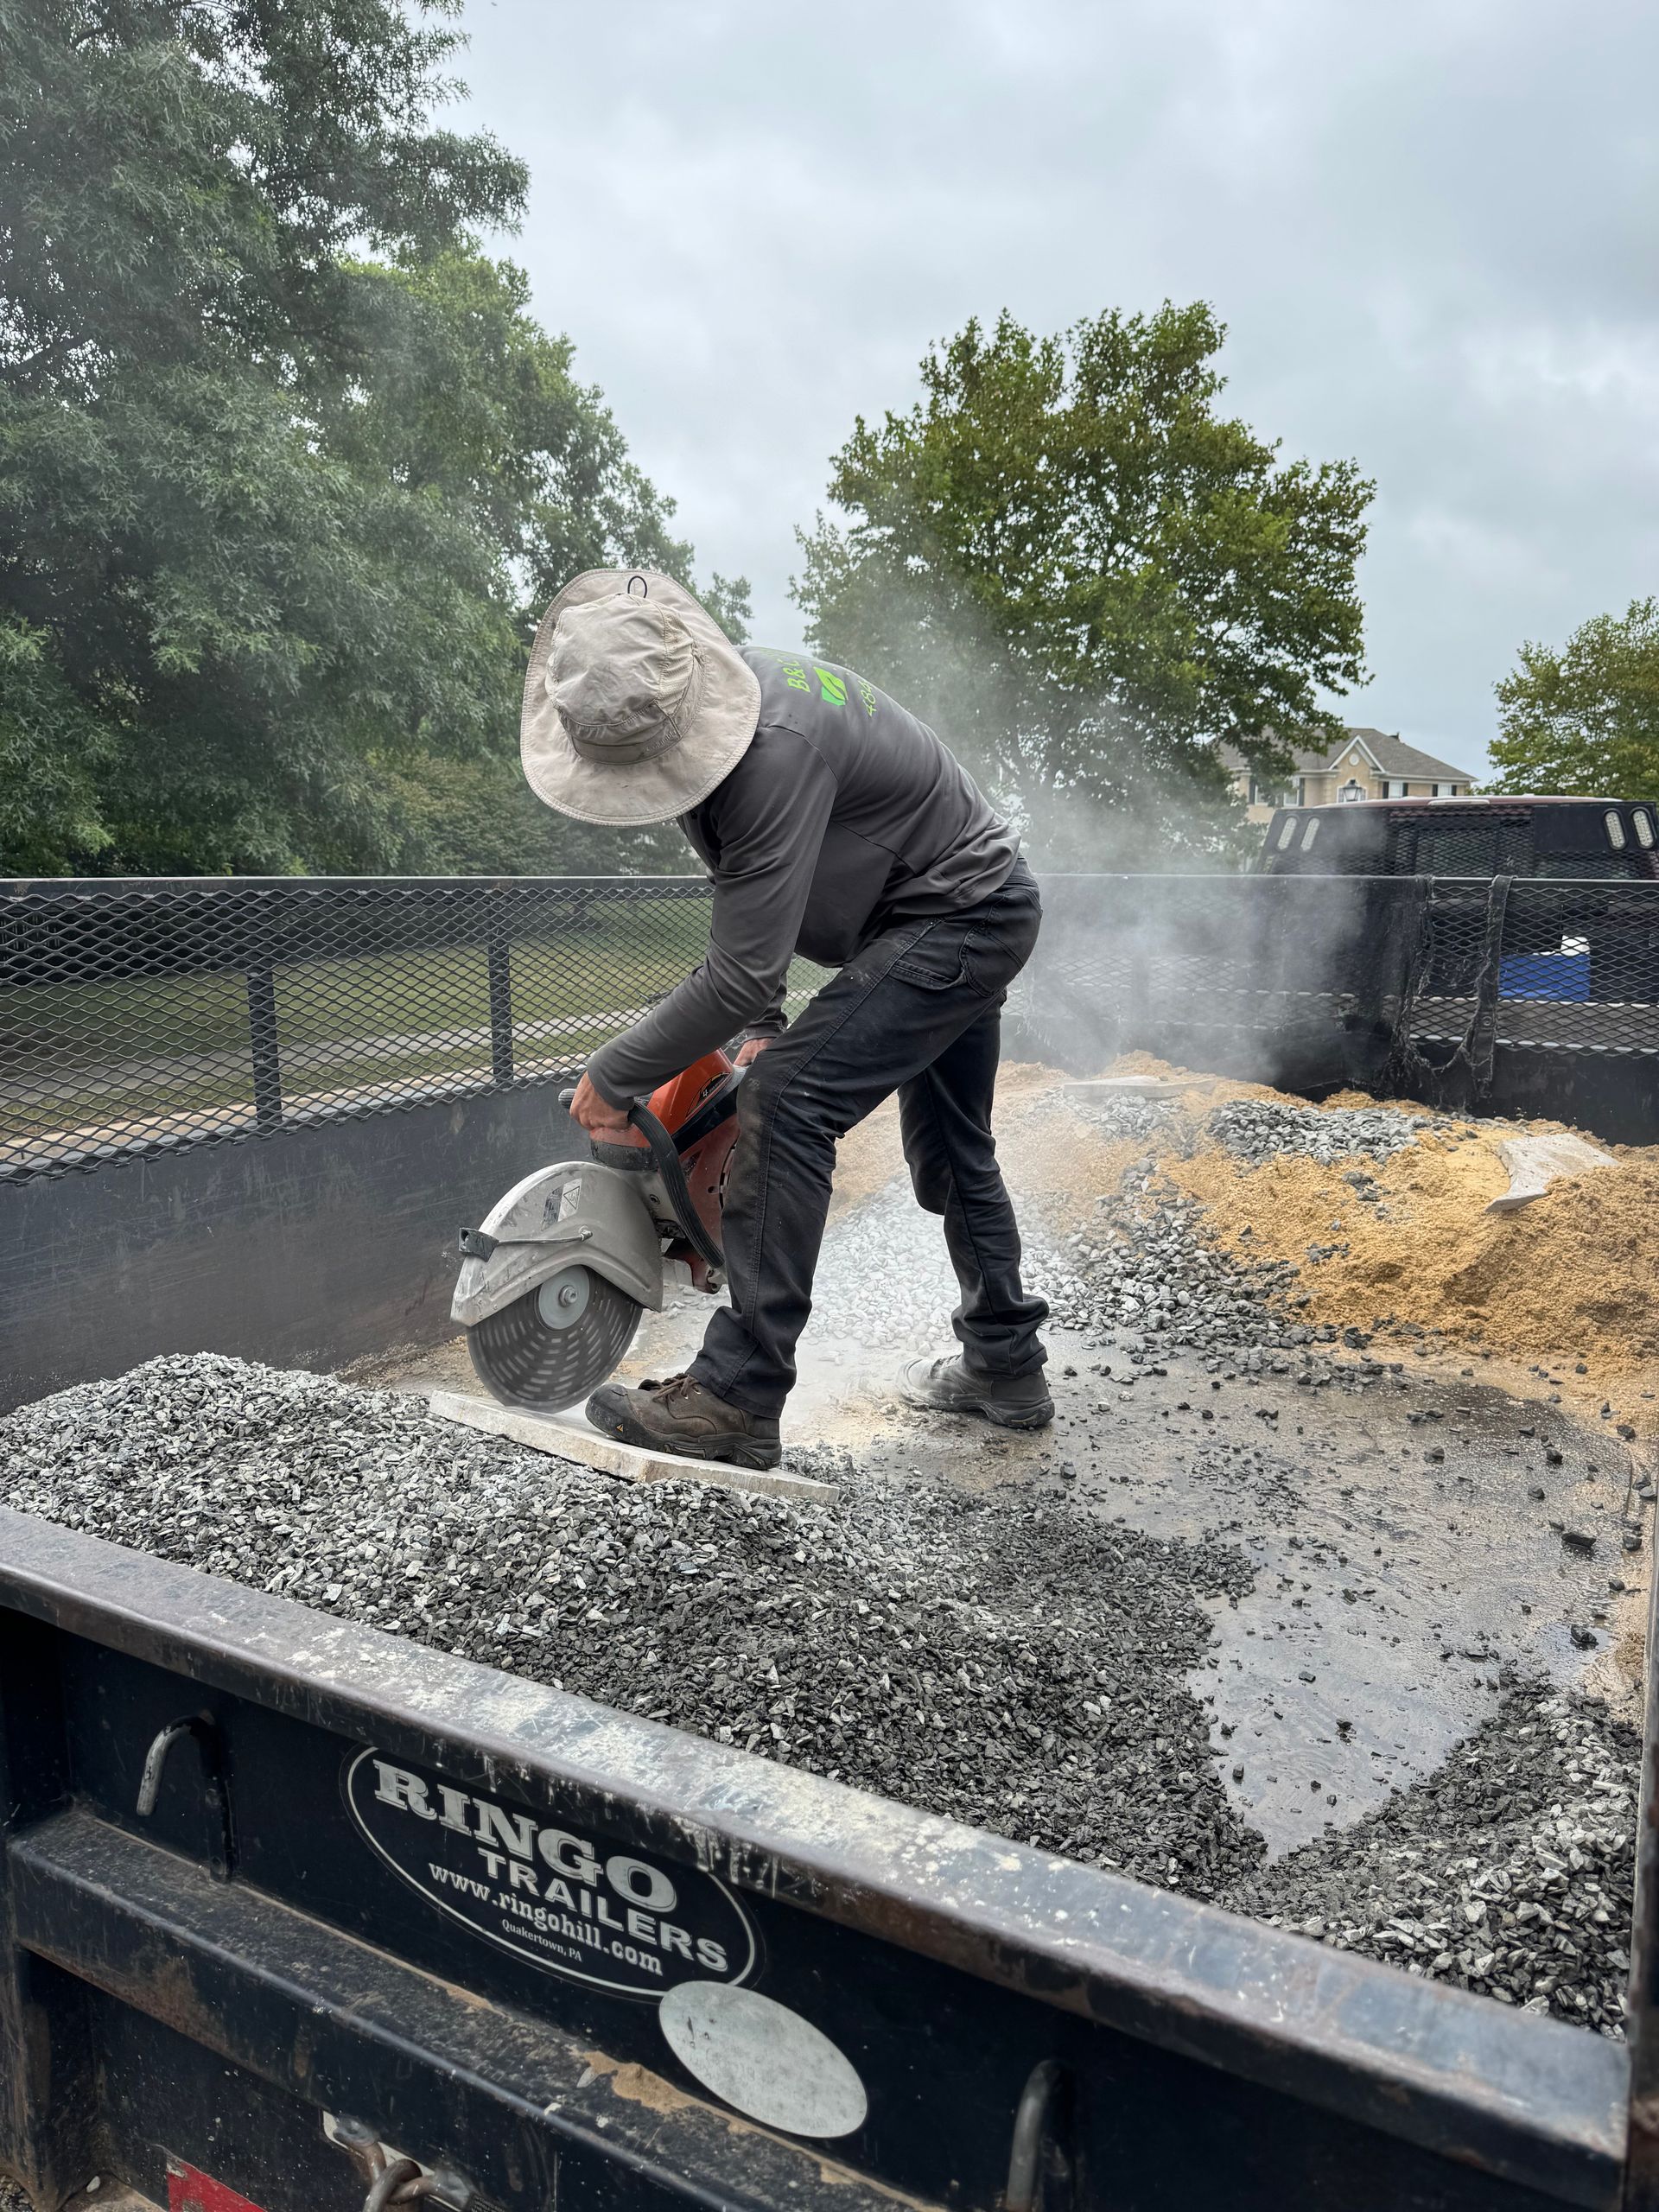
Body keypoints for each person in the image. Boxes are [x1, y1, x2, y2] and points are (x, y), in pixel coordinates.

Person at [522, 567, 1050, 1470]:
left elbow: (735, 971)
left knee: (786, 1099)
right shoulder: (712, 716)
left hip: (958, 914)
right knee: (952, 1149)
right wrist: (763, 1015)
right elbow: (750, 897)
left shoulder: (770, 747)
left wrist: (615, 1075)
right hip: (953, 906)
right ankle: (1006, 1364)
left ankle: (737, 1394)